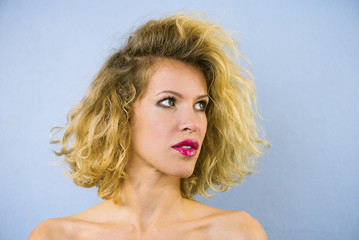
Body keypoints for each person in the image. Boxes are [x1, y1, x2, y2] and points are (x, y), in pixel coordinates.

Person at [29, 12, 268, 240]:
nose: (192, 123)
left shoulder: (237, 233)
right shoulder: (56, 236)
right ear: (121, 113)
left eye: (200, 105)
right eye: (168, 101)